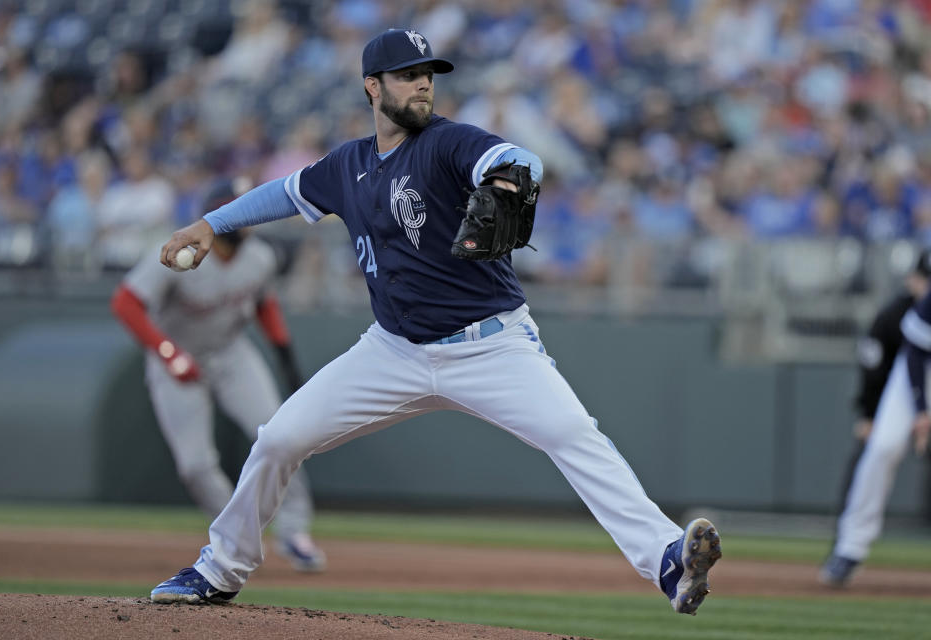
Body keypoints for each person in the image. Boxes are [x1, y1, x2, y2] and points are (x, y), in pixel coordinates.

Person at [148, 29, 721, 615]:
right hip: (392, 352)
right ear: (373, 87)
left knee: (574, 436)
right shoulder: (348, 164)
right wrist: (211, 224)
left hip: (492, 347)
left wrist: (505, 180)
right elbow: (284, 193)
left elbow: (516, 158)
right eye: (406, 74)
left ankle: (667, 560)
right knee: (277, 439)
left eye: (428, 72)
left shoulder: (448, 143)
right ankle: (219, 569)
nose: (422, 82)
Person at [111, 178, 326, 573]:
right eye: (232, 209)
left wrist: (285, 357)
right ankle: (238, 536)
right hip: (177, 359)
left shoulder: (260, 257)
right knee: (194, 465)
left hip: (231, 353)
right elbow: (125, 303)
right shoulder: (179, 253)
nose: (243, 222)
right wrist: (168, 352)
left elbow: (265, 306)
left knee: (281, 435)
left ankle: (294, 531)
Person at [821, 248, 931, 587]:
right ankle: (850, 548)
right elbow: (915, 353)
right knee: (883, 447)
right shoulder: (904, 310)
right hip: (916, 371)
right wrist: (921, 409)